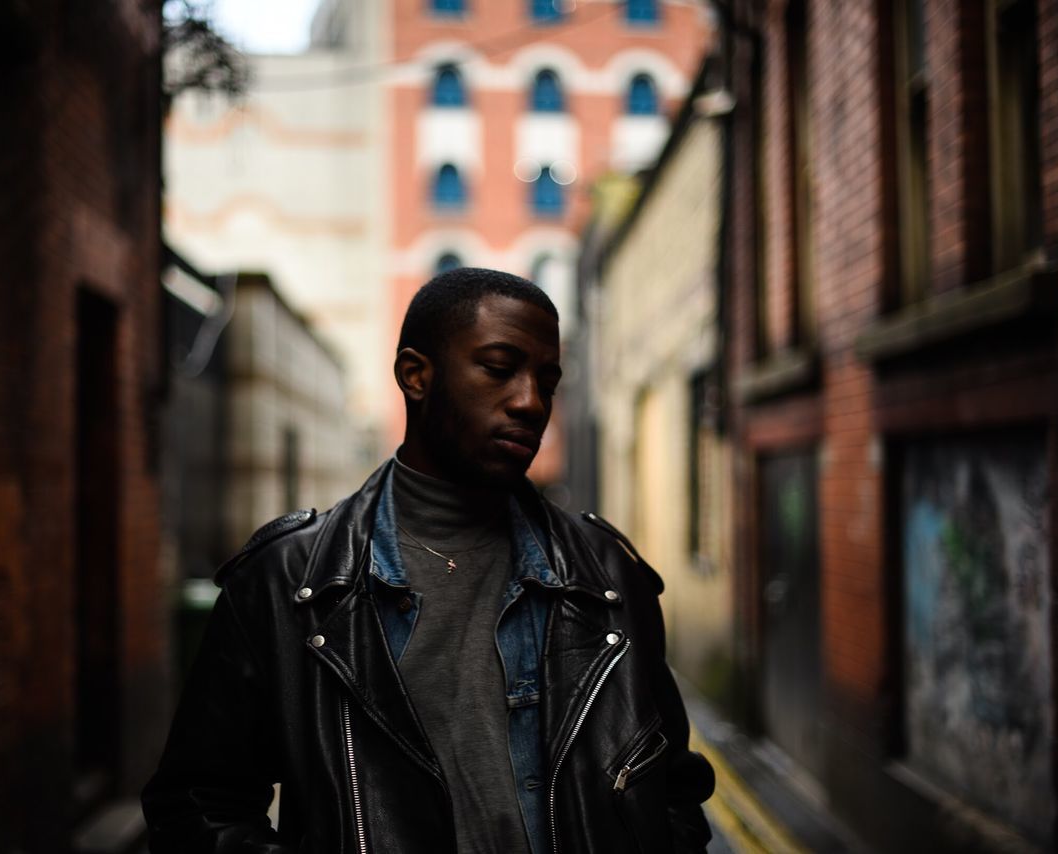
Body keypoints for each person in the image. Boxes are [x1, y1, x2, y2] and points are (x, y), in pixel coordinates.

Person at [142, 268, 715, 853]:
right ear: (416, 375)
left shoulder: (607, 576)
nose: (530, 402)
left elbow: (671, 788)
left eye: (547, 381)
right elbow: (198, 806)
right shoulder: (290, 580)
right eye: (498, 369)